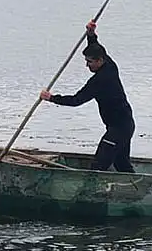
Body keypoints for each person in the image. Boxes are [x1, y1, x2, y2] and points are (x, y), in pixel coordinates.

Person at [38, 21, 135, 172]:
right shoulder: (110, 64)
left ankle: (94, 186)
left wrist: (51, 98)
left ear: (100, 61)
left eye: (89, 62)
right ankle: (137, 187)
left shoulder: (100, 81)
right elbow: (96, 47)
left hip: (119, 129)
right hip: (126, 125)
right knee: (121, 164)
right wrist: (91, 35)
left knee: (98, 166)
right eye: (86, 61)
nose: (87, 65)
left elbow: (76, 100)